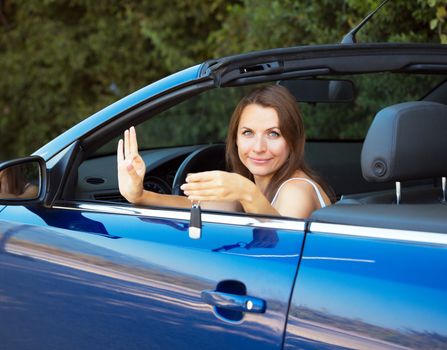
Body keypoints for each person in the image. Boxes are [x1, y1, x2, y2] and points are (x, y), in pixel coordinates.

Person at [117, 85, 332, 219]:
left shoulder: (296, 190)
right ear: (235, 138)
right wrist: (140, 195)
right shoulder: (251, 186)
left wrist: (247, 192)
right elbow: (192, 207)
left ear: (292, 140)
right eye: (248, 133)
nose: (258, 147)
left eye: (273, 134)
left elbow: (279, 245)